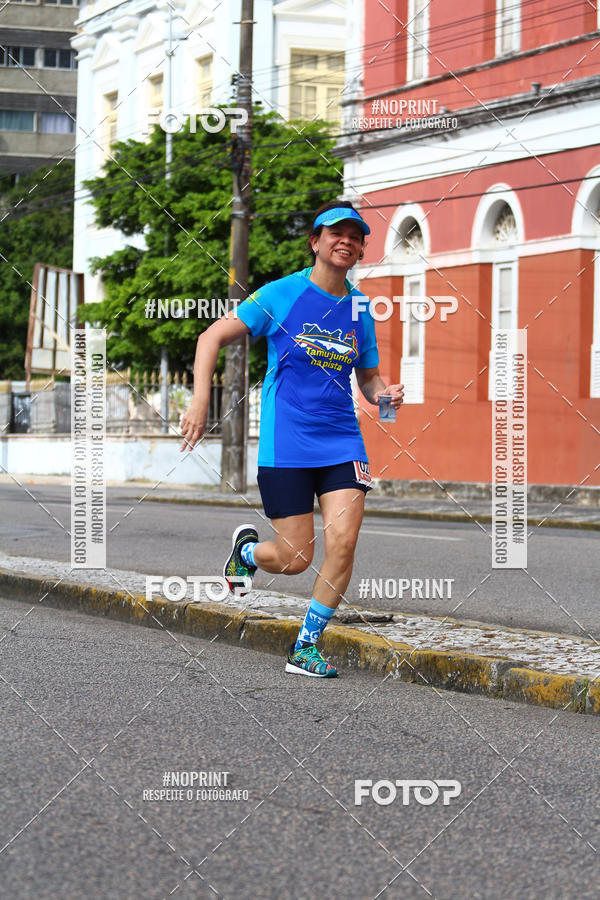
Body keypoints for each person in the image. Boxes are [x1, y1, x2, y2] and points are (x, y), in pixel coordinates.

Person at [180, 200, 404, 678]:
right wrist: (202, 401)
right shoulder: (281, 295)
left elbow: (369, 382)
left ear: (362, 248)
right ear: (316, 242)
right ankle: (246, 553)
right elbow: (210, 337)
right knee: (295, 558)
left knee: (343, 543)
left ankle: (306, 646)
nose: (346, 241)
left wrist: (388, 401)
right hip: (287, 443)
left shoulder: (360, 307)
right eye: (335, 233)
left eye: (355, 235)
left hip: (342, 440)